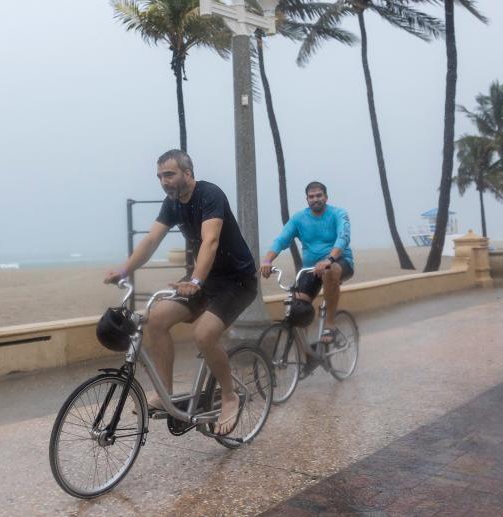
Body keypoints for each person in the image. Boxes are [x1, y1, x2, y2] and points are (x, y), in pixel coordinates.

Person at [104, 150, 258, 435]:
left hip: (236, 280)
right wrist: (123, 271)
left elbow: (210, 241)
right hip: (204, 279)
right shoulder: (172, 204)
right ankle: (166, 393)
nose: (164, 182)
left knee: (204, 334)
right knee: (156, 318)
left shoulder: (210, 195)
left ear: (188, 173)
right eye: (160, 176)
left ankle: (228, 396)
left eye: (170, 174)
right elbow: (151, 240)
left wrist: (196, 281)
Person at [260, 181, 354, 355]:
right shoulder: (299, 219)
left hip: (339, 262)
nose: (315, 199)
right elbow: (282, 239)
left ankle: (330, 324)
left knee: (330, 271)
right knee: (297, 307)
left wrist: (329, 259)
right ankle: (307, 354)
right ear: (307, 199)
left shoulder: (338, 214)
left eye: (319, 195)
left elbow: (343, 237)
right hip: (311, 269)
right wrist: (267, 260)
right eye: (311, 197)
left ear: (326, 197)